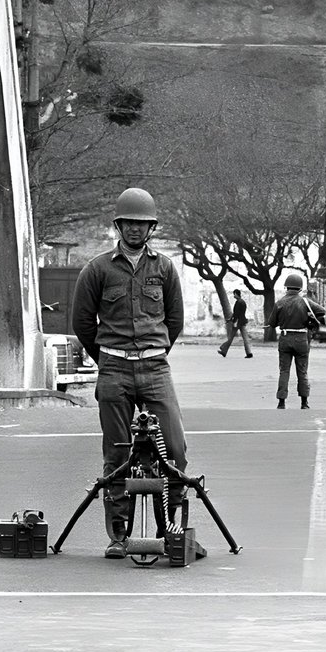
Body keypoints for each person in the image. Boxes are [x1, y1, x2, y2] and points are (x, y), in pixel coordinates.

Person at [71, 187, 189, 560]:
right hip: (114, 368)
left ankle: (167, 529)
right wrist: (108, 358)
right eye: (129, 224)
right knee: (118, 454)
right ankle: (118, 535)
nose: (135, 230)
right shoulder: (98, 269)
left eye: (142, 224)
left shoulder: (165, 268)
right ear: (118, 226)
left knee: (174, 450)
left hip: (155, 368)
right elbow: (82, 323)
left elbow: (175, 320)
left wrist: (152, 353)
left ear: (151, 228)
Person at [267, 273, 325, 410]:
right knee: (302, 371)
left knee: (284, 371)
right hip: (301, 339)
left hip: (285, 338)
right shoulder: (305, 302)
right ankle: (304, 403)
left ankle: (281, 402)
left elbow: (272, 323)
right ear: (300, 288)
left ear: (287, 287)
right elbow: (322, 311)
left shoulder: (279, 303)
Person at [218, 289, 253, 358]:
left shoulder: (238, 302)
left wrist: (233, 321)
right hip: (242, 321)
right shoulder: (243, 302)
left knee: (231, 337)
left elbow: (236, 313)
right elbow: (240, 313)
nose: (234, 296)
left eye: (234, 294)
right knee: (245, 338)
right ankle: (249, 352)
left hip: (237, 322)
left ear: (237, 294)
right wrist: (230, 319)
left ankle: (223, 349)